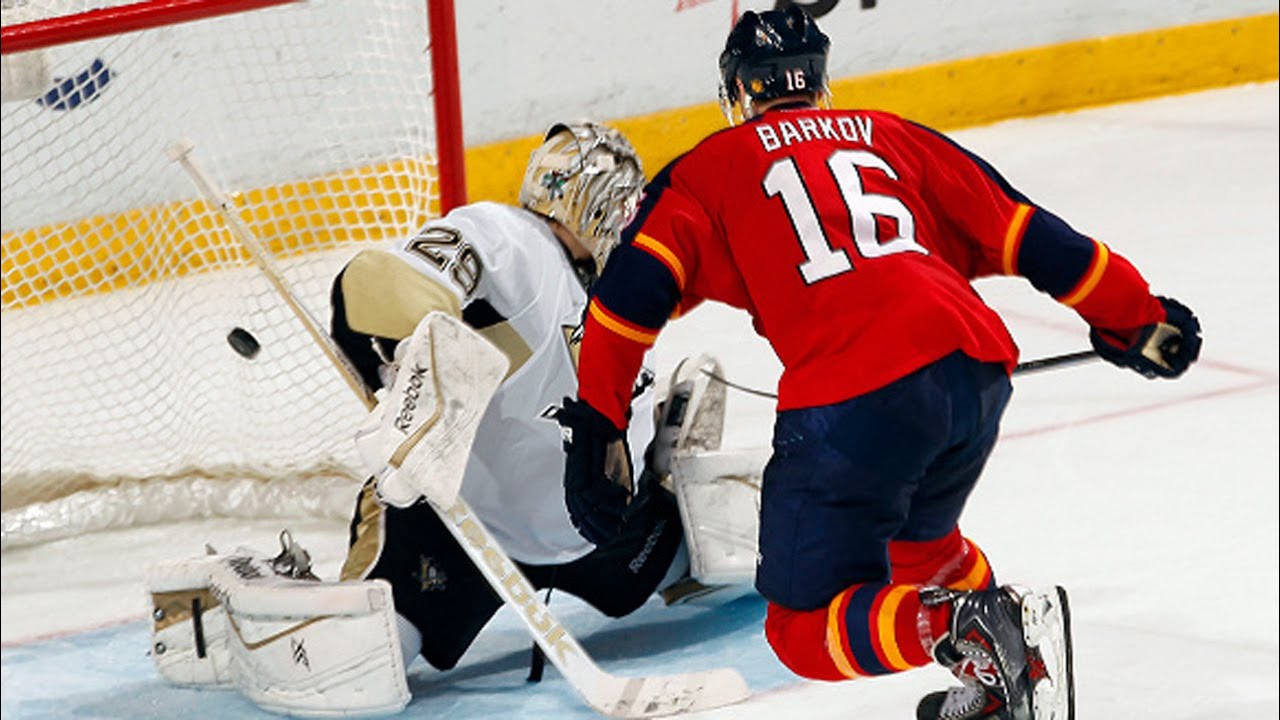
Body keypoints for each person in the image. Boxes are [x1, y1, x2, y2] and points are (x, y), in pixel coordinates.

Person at [556, 8, 1201, 720]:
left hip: (852, 396)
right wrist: (1138, 320)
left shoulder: (710, 168)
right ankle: (1001, 674)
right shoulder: (895, 136)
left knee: (799, 629)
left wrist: (598, 424)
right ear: (819, 82)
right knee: (921, 554)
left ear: (738, 92)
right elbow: (1034, 236)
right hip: (974, 371)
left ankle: (974, 629)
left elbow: (625, 301)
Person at [145, 121, 735, 715]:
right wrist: (428, 370)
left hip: (605, 529)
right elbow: (376, 282)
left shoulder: (619, 286)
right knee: (349, 669)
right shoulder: (512, 240)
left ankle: (663, 457)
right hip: (457, 529)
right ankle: (246, 584)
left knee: (737, 558)